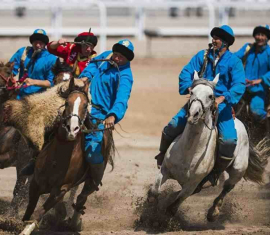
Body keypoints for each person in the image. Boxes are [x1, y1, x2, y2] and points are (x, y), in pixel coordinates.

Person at [21, 40, 135, 191]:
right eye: (116, 53)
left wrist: (113, 116)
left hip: (99, 114)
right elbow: (93, 65)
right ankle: (36, 160)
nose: (116, 58)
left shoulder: (125, 76)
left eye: (121, 57)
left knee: (93, 150)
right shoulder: (106, 56)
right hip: (81, 102)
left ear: (127, 60)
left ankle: (93, 180)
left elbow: (122, 98)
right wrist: (85, 76)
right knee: (51, 123)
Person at [154, 25, 246, 187]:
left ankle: (215, 173)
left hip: (221, 107)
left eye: (218, 38)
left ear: (226, 42)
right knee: (173, 125)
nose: (214, 40)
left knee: (229, 141)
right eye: (214, 37)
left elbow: (239, 85)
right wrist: (189, 87)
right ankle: (162, 155)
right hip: (197, 103)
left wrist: (223, 98)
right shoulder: (202, 56)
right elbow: (186, 72)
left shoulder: (234, 62)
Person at [0, 29, 57, 126]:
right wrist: (10, 80)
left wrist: (33, 82)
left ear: (45, 43)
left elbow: (50, 82)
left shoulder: (52, 59)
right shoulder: (23, 52)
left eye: (41, 42)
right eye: (35, 41)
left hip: (39, 99)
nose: (38, 45)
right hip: (18, 96)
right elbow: (10, 71)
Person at [234, 25, 270, 122]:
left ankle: (264, 129)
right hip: (243, 86)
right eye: (258, 34)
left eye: (263, 35)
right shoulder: (248, 48)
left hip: (260, 89)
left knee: (256, 111)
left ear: (267, 38)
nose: (260, 37)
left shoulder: (269, 53)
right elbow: (235, 58)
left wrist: (261, 79)